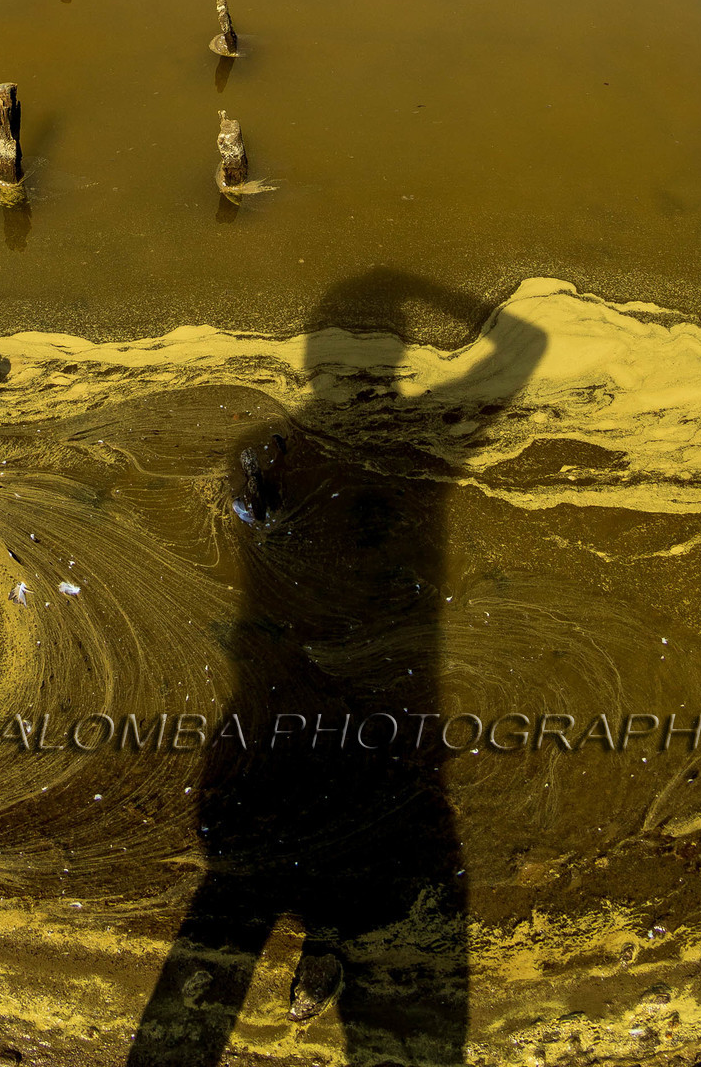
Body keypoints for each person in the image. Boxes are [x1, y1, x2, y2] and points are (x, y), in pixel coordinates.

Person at [127, 270, 545, 1065]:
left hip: (265, 741)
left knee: (221, 933)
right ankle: (330, 944)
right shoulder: (426, 443)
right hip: (378, 735)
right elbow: (527, 347)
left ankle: (321, 948)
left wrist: (409, 289)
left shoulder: (266, 454)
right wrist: (456, 295)